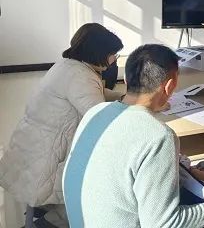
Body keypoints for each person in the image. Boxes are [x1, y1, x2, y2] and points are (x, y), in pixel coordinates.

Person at [63, 44, 204, 227]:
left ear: (127, 80)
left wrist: (186, 171)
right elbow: (163, 224)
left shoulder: (96, 112)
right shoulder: (158, 136)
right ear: (169, 86)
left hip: (82, 221)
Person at [0, 23, 123, 228]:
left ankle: (45, 219)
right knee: (99, 193)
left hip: (29, 154)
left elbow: (96, 93)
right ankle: (48, 223)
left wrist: (123, 98)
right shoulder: (80, 76)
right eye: (113, 54)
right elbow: (99, 118)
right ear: (99, 53)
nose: (114, 60)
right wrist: (135, 108)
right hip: (46, 163)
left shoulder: (67, 66)